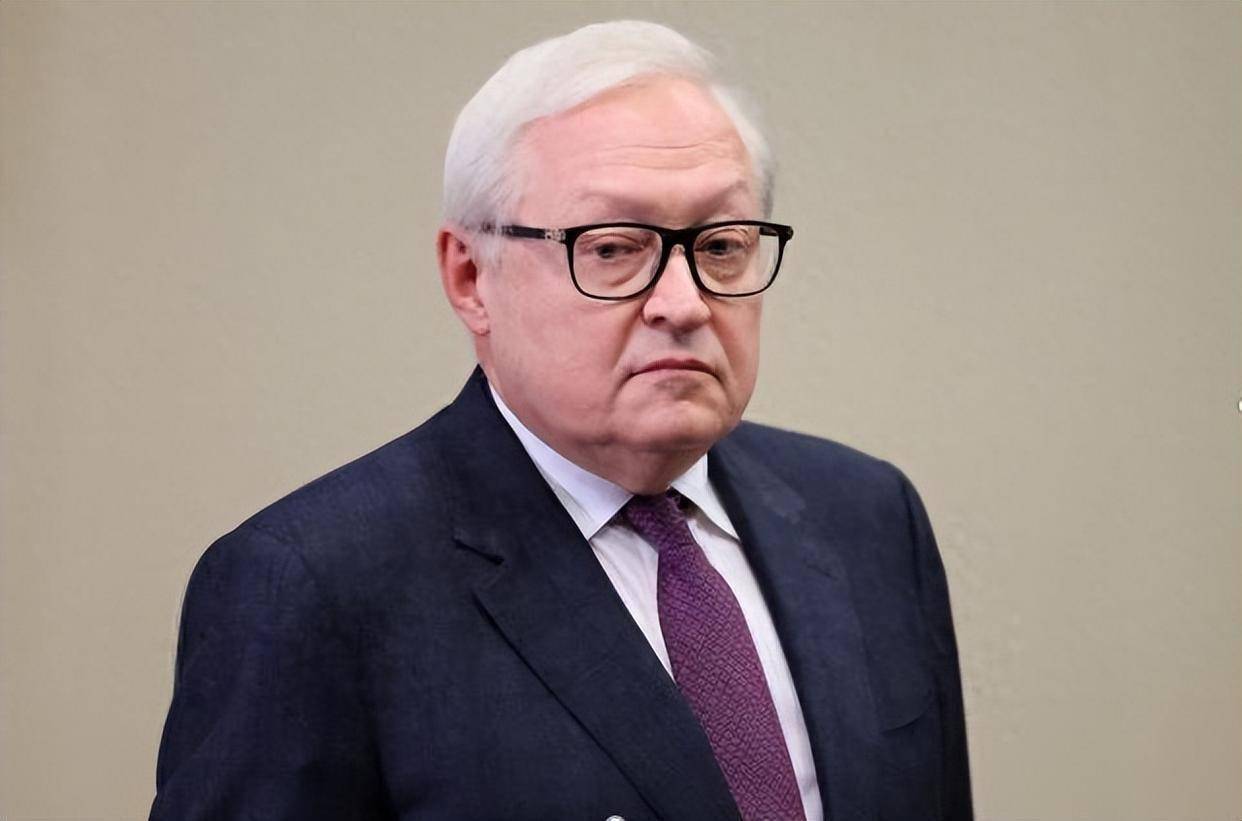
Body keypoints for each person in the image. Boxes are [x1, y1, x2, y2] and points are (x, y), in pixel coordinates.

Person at [150, 20, 971, 821]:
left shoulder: (868, 516)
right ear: (471, 277)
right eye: (612, 248)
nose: (684, 303)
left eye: (721, 245)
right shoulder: (311, 586)